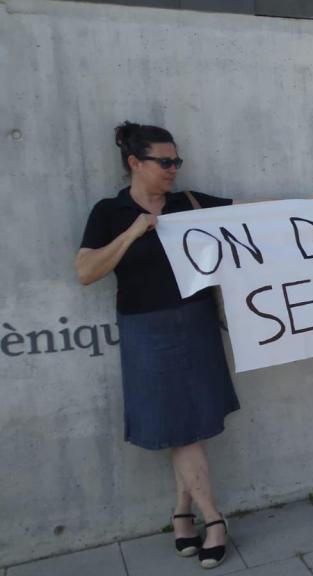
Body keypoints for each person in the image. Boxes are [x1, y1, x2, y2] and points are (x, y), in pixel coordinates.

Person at [75, 122, 236, 569]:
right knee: (179, 426)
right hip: (146, 330)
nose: (173, 170)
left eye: (176, 161)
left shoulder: (190, 203)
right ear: (134, 163)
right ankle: (213, 519)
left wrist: (310, 206)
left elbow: (247, 215)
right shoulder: (110, 211)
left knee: (188, 423)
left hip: (196, 323)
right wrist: (133, 234)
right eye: (165, 162)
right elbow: (86, 271)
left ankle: (182, 515)